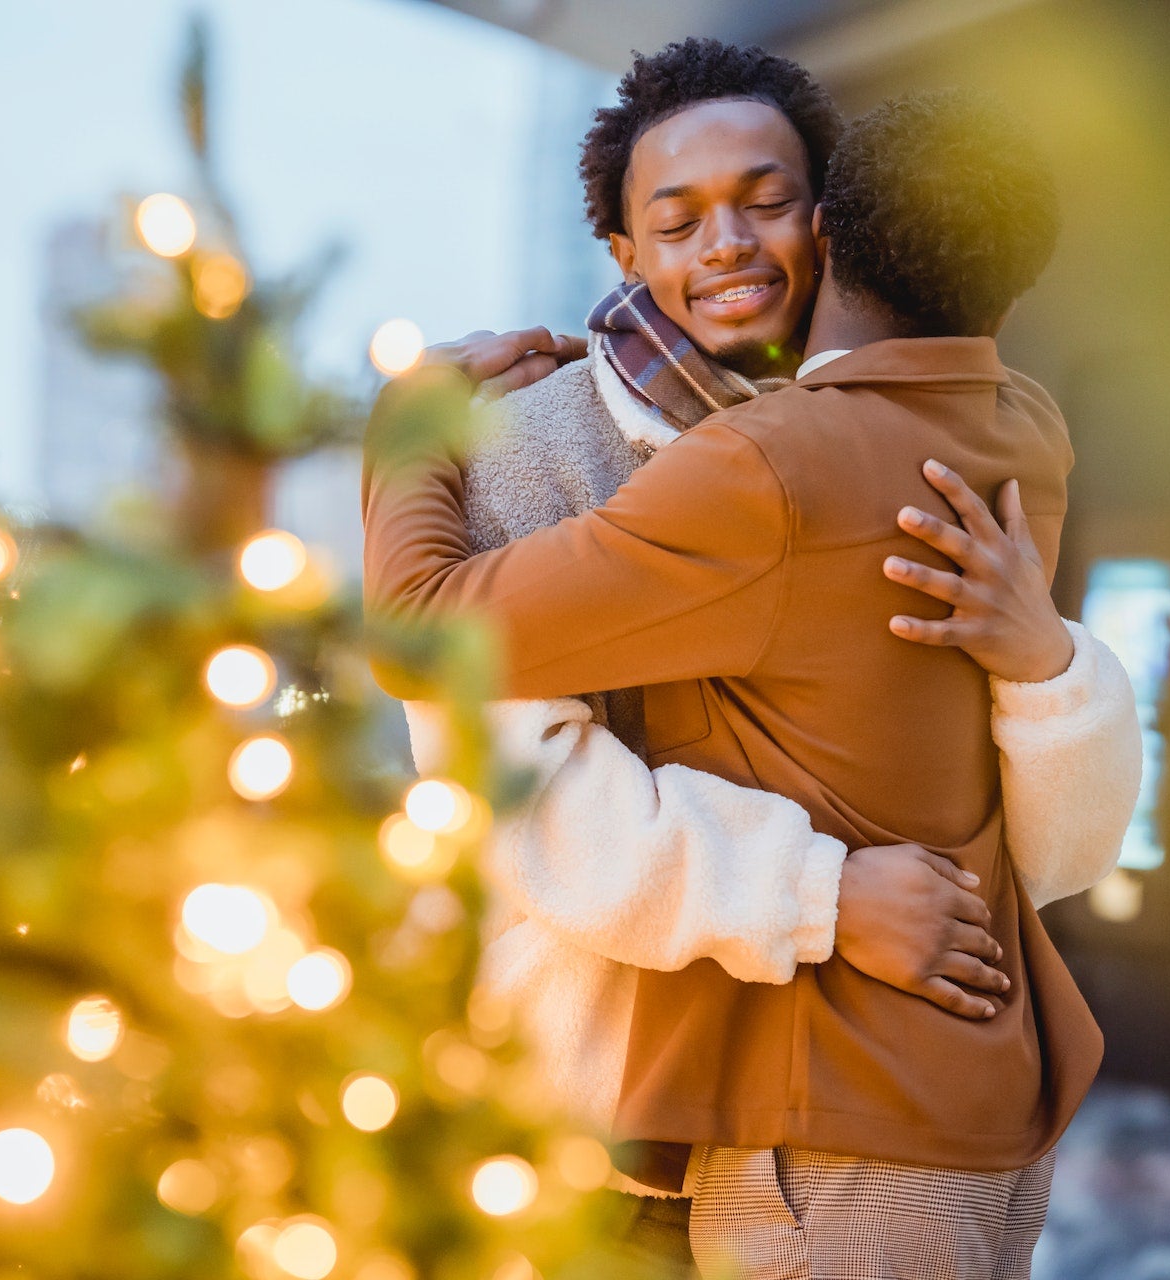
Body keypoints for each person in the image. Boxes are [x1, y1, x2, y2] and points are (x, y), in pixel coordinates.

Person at [364, 71, 1110, 1278]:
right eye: (678, 219)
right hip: (604, 1123)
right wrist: (818, 891)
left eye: (766, 202)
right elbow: (521, 791)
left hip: (824, 1109)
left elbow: (995, 779)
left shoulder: (928, 431)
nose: (730, 246)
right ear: (621, 246)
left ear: (830, 222)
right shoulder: (529, 454)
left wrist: (1055, 665)